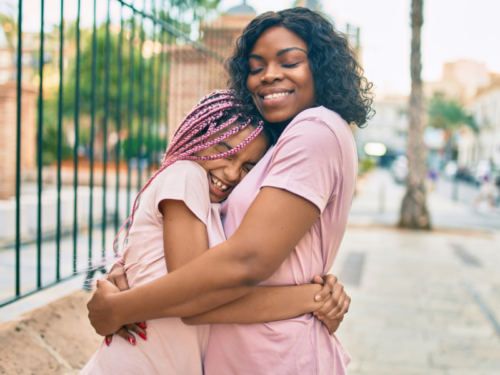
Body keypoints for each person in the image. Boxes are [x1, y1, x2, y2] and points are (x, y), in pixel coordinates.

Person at [88, 7, 373, 374]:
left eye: (289, 62)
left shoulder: (315, 128)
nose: (269, 75)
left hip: (273, 356)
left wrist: (122, 307)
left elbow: (243, 262)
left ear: (321, 66)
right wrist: (137, 271)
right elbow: (206, 260)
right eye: (256, 67)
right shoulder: (277, 143)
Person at [81, 91, 344, 375]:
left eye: (247, 167)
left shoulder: (216, 209)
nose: (232, 173)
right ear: (198, 136)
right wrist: (311, 298)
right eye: (224, 150)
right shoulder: (186, 175)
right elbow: (195, 295)